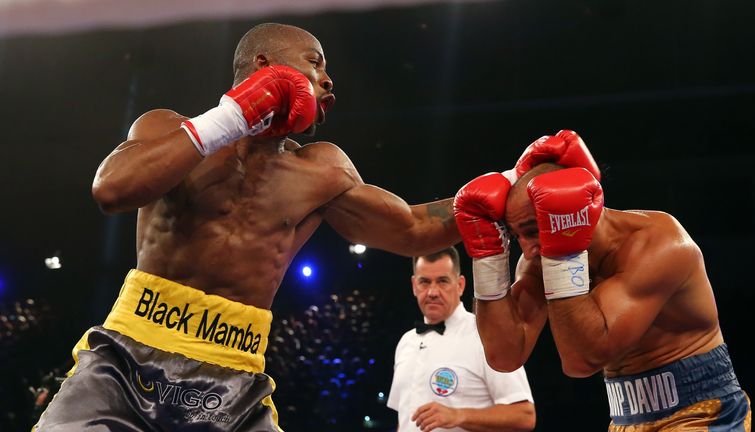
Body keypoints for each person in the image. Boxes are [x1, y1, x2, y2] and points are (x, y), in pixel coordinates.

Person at [34, 23, 462, 431]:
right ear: (264, 65)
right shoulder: (165, 128)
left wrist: (492, 196)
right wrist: (231, 118)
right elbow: (111, 190)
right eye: (315, 63)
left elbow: (412, 229)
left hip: (233, 375)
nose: (328, 80)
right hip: (127, 358)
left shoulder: (321, 170)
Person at [453, 131, 751, 431]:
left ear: (575, 213)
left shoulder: (658, 244)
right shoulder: (538, 259)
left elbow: (582, 360)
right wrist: (488, 260)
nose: (527, 250)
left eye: (532, 230)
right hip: (626, 418)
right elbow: (504, 356)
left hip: (702, 412)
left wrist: (562, 252)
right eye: (517, 235)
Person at [387, 247, 535, 432]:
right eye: (424, 282)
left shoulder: (485, 336)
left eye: (442, 281)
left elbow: (524, 415)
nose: (432, 292)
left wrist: (459, 415)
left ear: (460, 285)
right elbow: (405, 419)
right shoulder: (406, 342)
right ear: (414, 286)